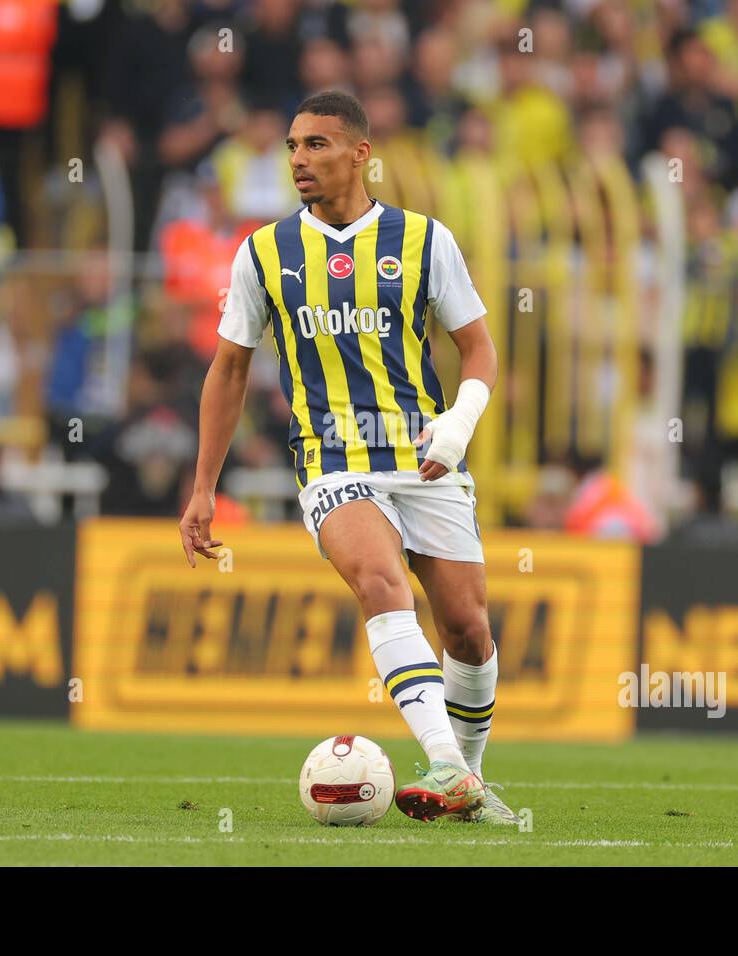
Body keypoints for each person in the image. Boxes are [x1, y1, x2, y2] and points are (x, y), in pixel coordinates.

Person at [178, 90, 514, 824]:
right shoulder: (265, 253)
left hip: (426, 455)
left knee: (469, 629)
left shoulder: (425, 241)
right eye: (294, 145)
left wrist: (457, 424)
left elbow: (480, 346)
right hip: (332, 459)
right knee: (380, 582)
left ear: (361, 153)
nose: (300, 158)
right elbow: (229, 368)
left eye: (318, 145)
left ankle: (470, 781)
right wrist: (204, 485)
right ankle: (449, 768)